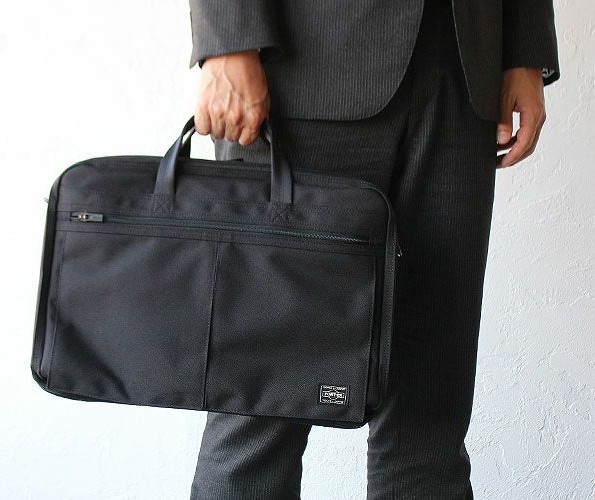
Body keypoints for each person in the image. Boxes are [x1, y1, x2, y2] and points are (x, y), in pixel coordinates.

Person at [187, 0, 560, 498]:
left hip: (461, 69)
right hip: (297, 75)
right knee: (257, 419)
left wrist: (524, 51)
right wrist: (228, 41)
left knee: (429, 426)